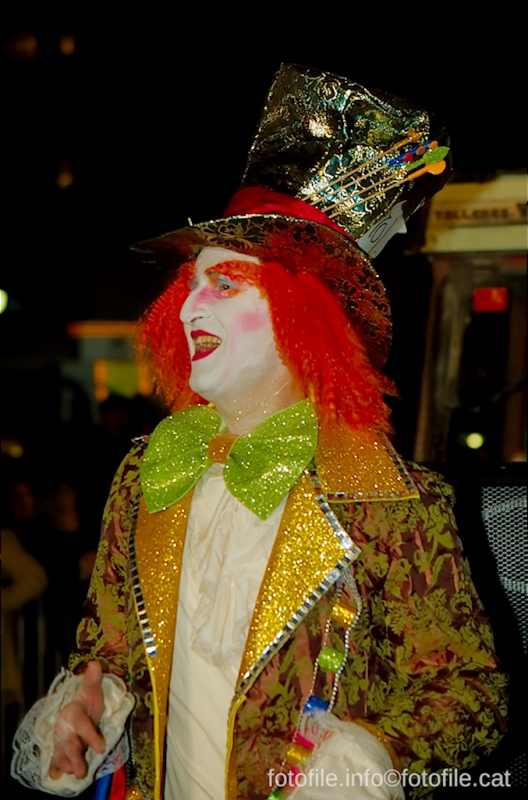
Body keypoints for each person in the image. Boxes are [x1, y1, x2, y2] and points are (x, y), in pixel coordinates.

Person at [12, 64, 508, 800]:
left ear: (302, 316)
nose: (189, 308)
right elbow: (106, 651)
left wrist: (373, 756)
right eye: (189, 286)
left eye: (225, 283)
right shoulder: (147, 473)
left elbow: (473, 694)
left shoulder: (394, 499)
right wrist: (87, 705)